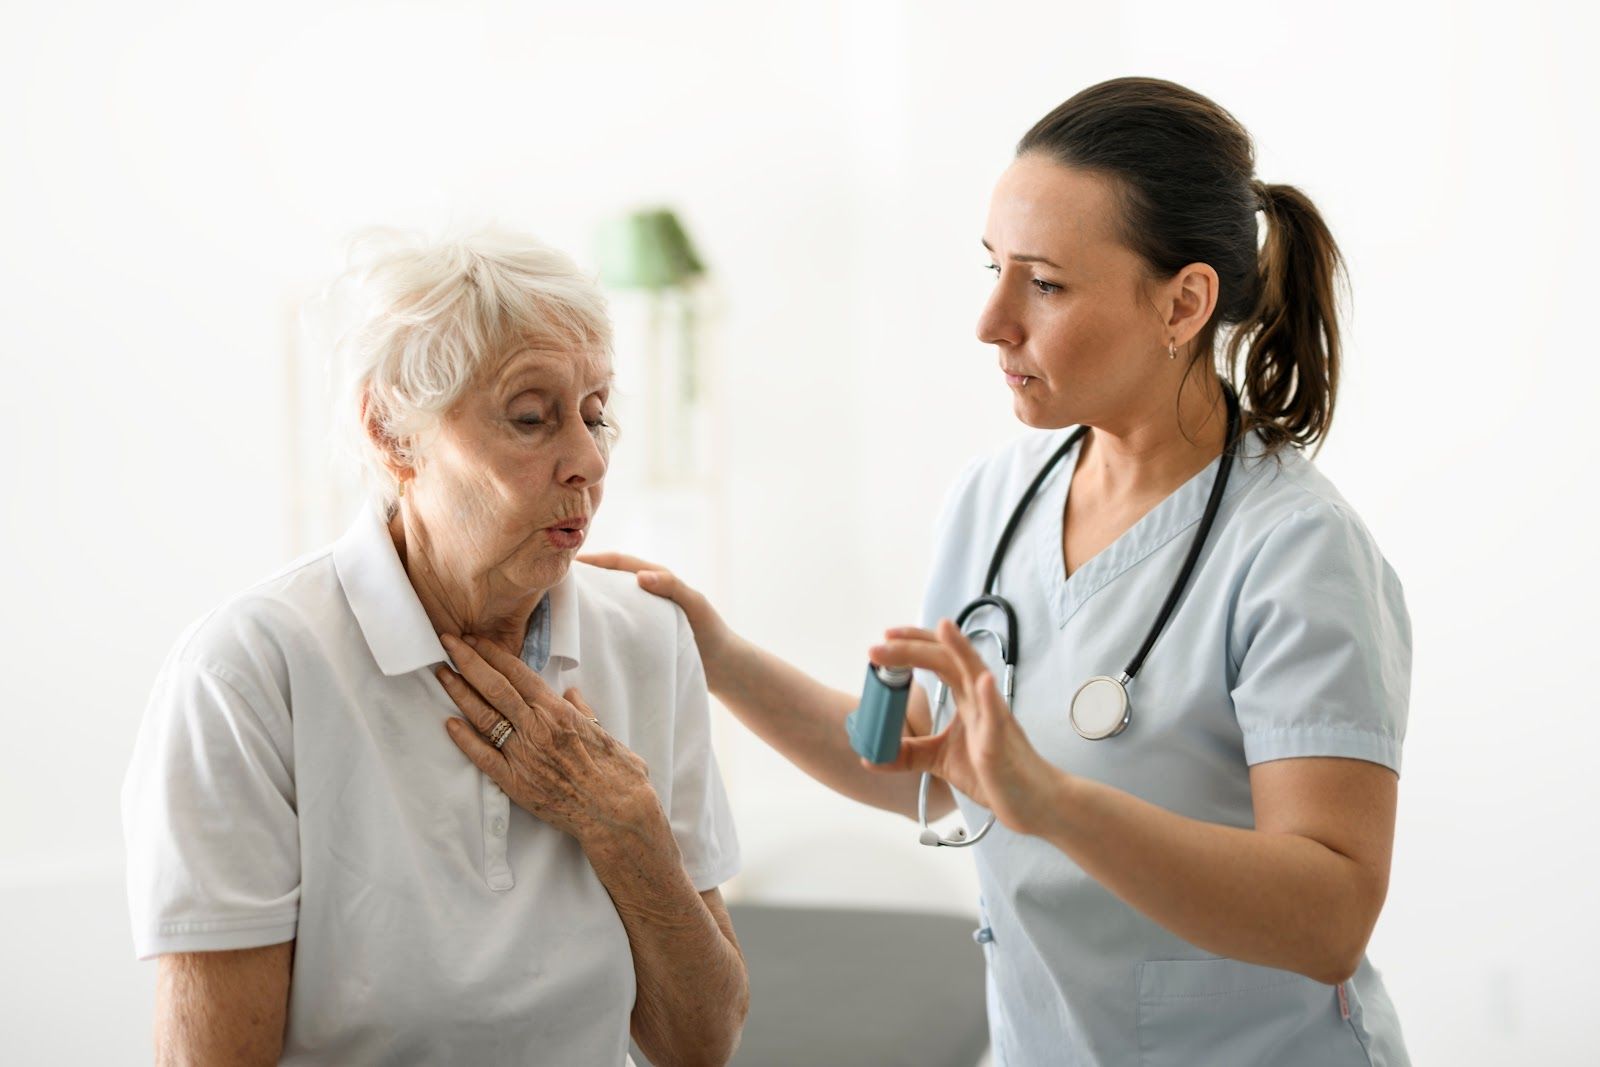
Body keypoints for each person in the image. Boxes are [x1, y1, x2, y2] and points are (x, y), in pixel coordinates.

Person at [588, 77, 1410, 1065]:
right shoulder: (996, 497)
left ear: (1183, 302)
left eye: (1044, 283)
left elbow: (1329, 913)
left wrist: (1053, 800)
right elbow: (933, 771)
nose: (990, 319)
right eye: (991, 268)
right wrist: (714, 653)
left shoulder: (1295, 551)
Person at [121, 229, 747, 1065]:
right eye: (533, 418)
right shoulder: (248, 672)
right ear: (392, 432)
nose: (590, 458)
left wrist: (627, 830)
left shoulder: (646, 637)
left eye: (598, 414)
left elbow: (699, 1045)